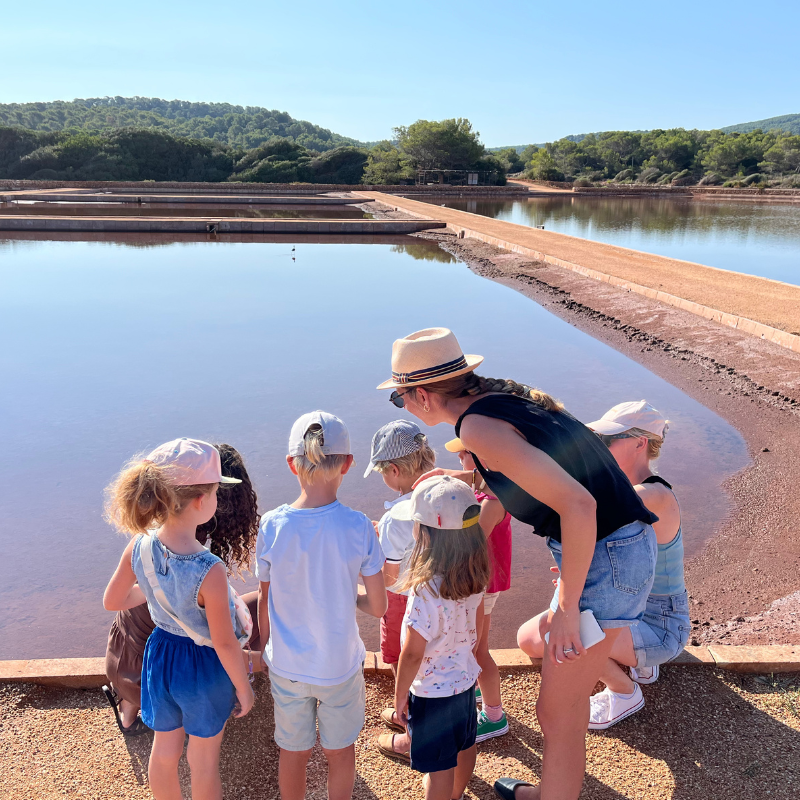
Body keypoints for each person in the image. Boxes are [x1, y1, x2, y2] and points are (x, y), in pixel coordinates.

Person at [377, 328, 658, 800]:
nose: (402, 405)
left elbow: (579, 506)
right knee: (559, 708)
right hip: (612, 549)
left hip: (601, 557)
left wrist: (568, 606)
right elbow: (536, 473)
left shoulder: (476, 428)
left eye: (398, 398)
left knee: (558, 712)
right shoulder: (496, 402)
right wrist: (468, 474)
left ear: (421, 396)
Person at [518, 401, 689, 729]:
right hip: (645, 613)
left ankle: (624, 691)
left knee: (536, 637)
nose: (598, 448)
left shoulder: (650, 495)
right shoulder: (629, 494)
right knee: (563, 612)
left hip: (661, 627)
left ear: (640, 444)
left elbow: (576, 518)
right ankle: (640, 664)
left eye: (607, 441)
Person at [103, 438, 254, 800]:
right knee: (203, 761)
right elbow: (223, 642)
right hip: (202, 666)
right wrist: (244, 688)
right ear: (202, 501)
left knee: (165, 751)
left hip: (161, 656)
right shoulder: (210, 570)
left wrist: (158, 593)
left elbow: (114, 600)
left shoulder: (138, 545)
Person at [256, 411, 387, 800]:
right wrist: (349, 596)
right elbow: (379, 607)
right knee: (339, 752)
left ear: (290, 463)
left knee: (293, 752)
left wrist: (264, 648)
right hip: (339, 667)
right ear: (348, 463)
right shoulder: (359, 526)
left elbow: (266, 597)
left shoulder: (272, 525)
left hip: (288, 666)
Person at [376, 475, 489, 800]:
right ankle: (457, 793)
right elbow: (478, 631)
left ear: (424, 532)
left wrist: (400, 697)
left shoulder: (425, 592)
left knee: (437, 767)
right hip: (465, 683)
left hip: (431, 694)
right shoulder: (475, 576)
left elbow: (411, 654)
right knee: (465, 745)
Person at [445, 436, 512, 742]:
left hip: (483, 585)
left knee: (477, 650)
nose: (459, 460)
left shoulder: (492, 502)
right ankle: (473, 691)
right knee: (475, 646)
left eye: (463, 455)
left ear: (479, 458)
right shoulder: (489, 491)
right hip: (483, 583)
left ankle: (495, 716)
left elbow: (471, 542)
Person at [363, 419, 436, 680]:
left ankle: (404, 708)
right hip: (443, 591)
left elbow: (390, 579)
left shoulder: (395, 518)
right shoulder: (448, 494)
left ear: (393, 470)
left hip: (404, 598)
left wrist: (365, 567)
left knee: (399, 652)